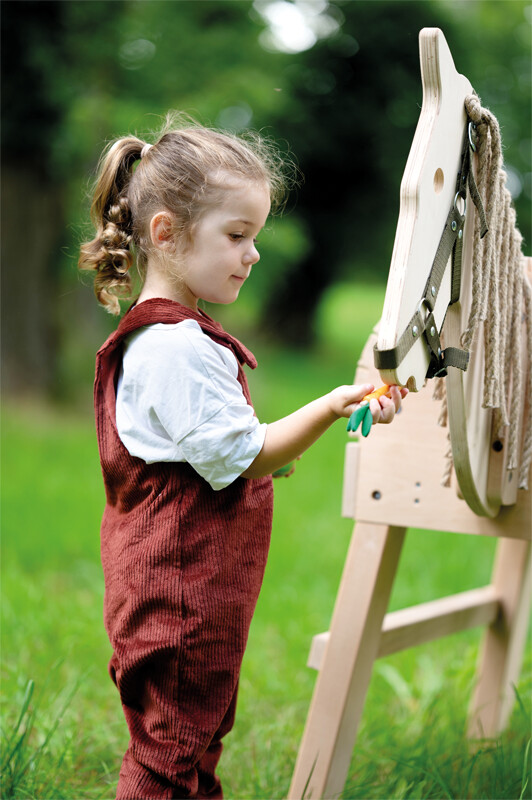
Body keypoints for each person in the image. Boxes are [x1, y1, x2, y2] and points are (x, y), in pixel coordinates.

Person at [79, 114, 406, 800]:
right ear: (165, 233)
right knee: (169, 752)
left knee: (193, 737)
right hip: (178, 599)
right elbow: (245, 451)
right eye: (236, 236)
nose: (252, 254)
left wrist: (311, 428)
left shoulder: (177, 338)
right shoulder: (173, 347)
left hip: (188, 592)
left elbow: (218, 453)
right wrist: (329, 406)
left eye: (253, 236)